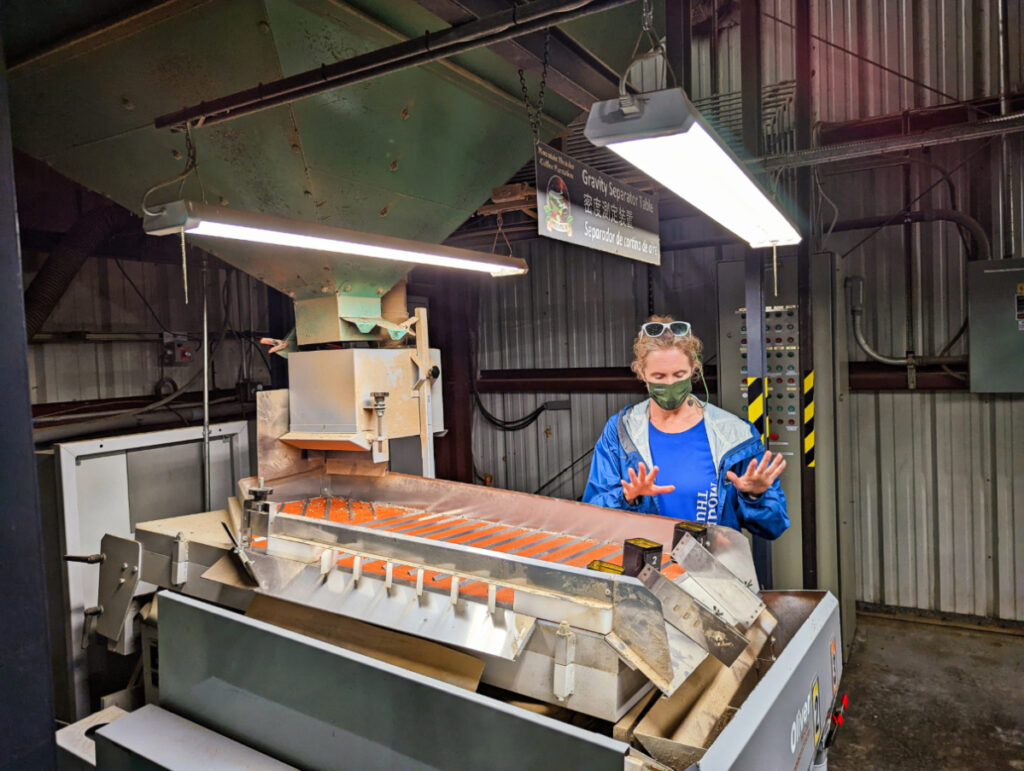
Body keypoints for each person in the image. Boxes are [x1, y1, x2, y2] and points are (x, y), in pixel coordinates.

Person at [582, 316, 789, 539]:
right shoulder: (621, 432)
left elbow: (773, 527)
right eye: (659, 376)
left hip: (713, 570)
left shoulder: (735, 436)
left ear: (693, 368)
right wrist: (626, 497)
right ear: (642, 373)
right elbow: (591, 516)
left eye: (679, 375)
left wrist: (755, 497)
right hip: (642, 570)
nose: (670, 383)